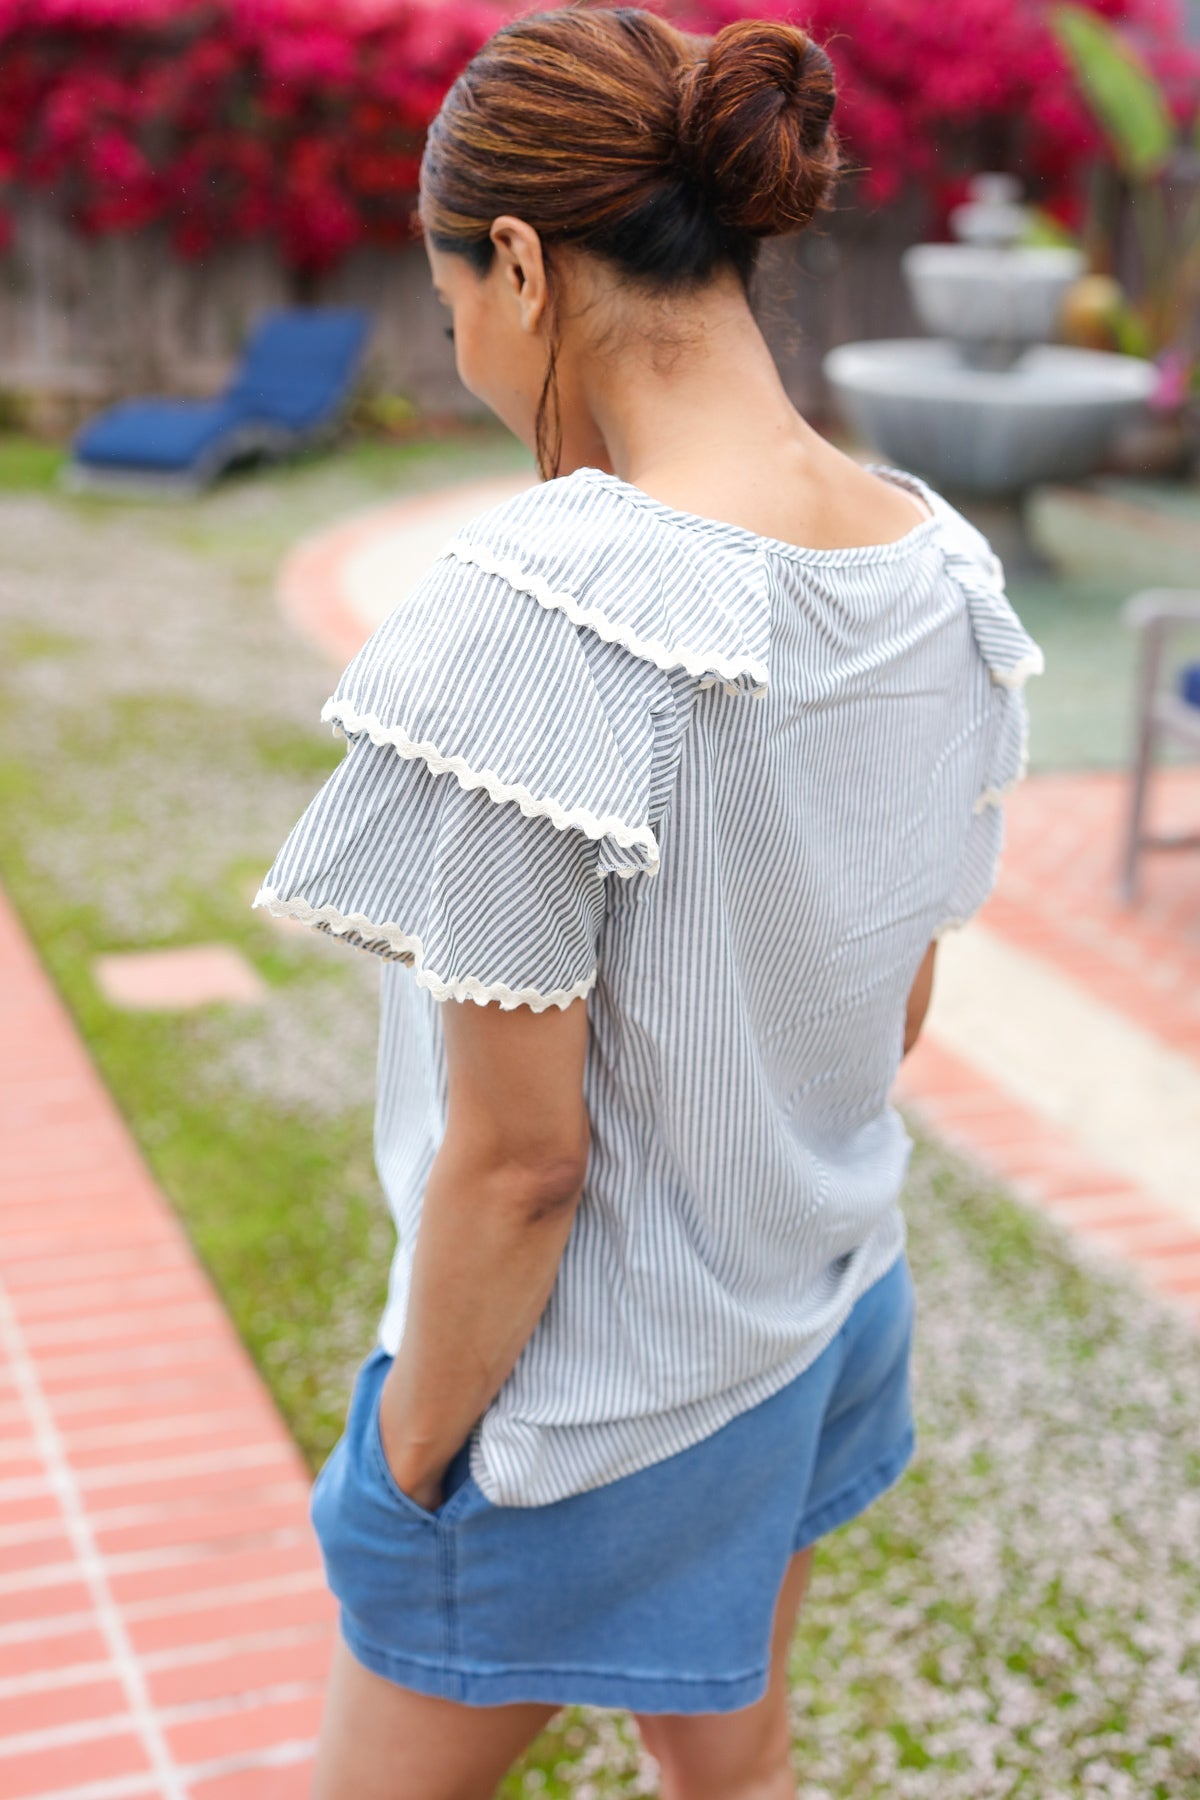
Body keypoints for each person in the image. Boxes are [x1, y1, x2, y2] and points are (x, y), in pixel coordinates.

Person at [255, 7, 1042, 1796]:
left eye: (451, 305)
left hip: (574, 1416)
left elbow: (521, 1165)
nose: (464, 352)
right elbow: (895, 1008)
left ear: (523, 265)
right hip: (826, 1312)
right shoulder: (941, 566)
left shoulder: (537, 608)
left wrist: (410, 1460)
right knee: (734, 1771)